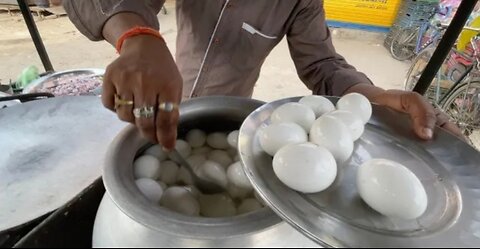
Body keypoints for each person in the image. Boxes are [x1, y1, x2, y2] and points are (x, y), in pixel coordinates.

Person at [63, 0, 462, 150]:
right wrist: (137, 38)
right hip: (161, 92)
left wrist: (373, 98)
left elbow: (321, 64)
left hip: (228, 118)